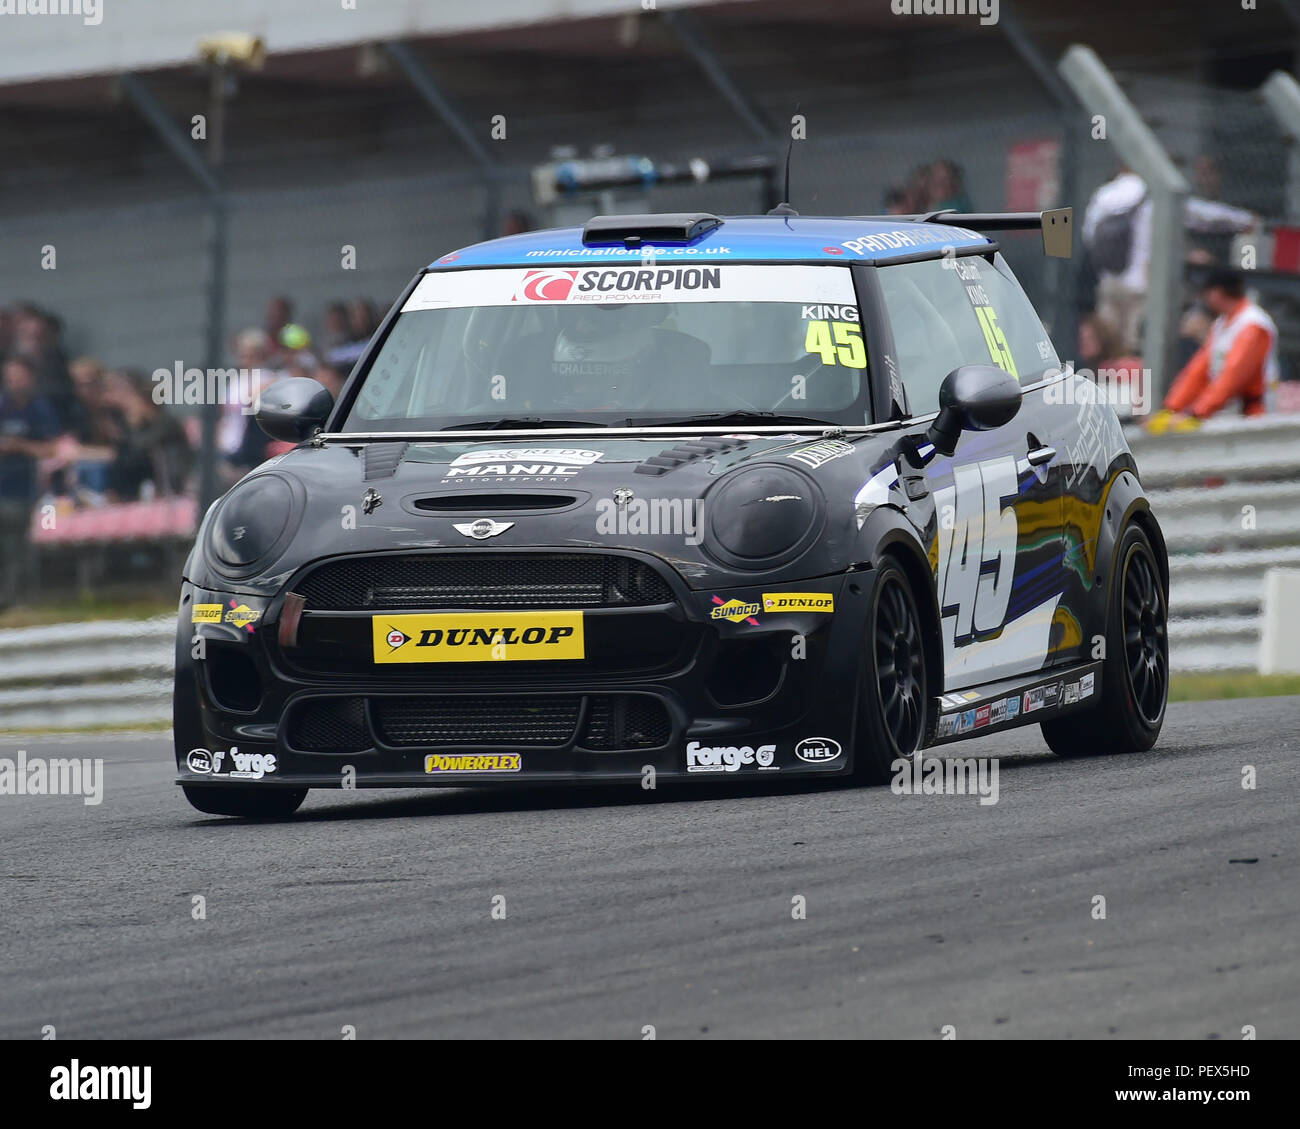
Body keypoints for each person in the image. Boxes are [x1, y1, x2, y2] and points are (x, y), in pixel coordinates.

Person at [1083, 164, 1256, 352]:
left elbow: (1089, 236)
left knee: (1110, 346)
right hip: (1142, 283)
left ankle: (1110, 380)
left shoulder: (1103, 195)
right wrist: (1244, 220)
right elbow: (1198, 215)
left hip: (1109, 281)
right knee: (1136, 347)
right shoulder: (1152, 189)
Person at [1147, 268, 1279, 432]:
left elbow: (1234, 375)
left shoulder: (1253, 324)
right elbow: (1199, 370)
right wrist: (1172, 408)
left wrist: (1197, 413)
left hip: (1252, 416)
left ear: (1217, 293)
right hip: (1225, 413)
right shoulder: (1221, 324)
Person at [0, 356, 60, 604]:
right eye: (10, 377)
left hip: (22, 491)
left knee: (16, 547)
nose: (15, 382)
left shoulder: (40, 409)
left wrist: (17, 445)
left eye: (20, 377)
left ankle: (14, 599)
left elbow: (51, 449)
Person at [96, 369, 194, 499]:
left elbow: (138, 448)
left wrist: (133, 424)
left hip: (175, 486)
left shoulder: (165, 423)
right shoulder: (128, 426)